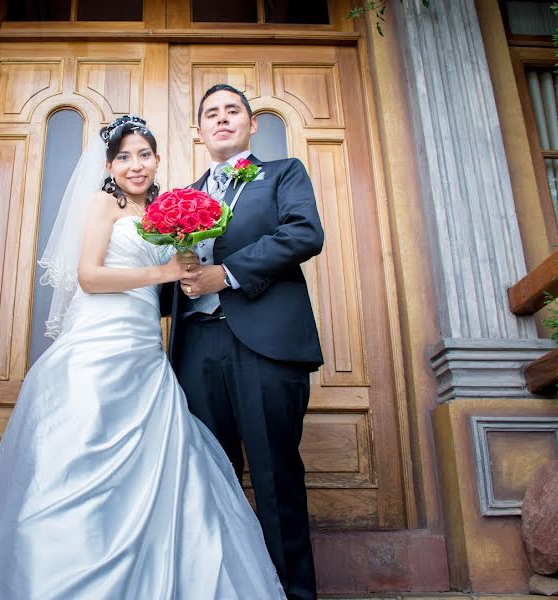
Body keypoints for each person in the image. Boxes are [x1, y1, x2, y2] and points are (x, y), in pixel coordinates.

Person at [0, 115, 286, 599]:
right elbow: (89, 277)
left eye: (144, 154)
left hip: (144, 350)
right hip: (97, 345)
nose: (135, 165)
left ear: (158, 160)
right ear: (109, 165)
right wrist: (163, 271)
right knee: (84, 453)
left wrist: (186, 270)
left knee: (155, 467)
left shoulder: (165, 215)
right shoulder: (106, 203)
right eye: (124, 156)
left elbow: (174, 285)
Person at [166, 84, 325, 600]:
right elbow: (167, 276)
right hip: (195, 348)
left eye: (232, 111)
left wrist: (227, 273)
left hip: (265, 346)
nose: (222, 119)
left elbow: (304, 233)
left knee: (275, 478)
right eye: (211, 113)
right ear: (198, 131)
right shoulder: (177, 200)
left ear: (252, 124)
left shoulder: (284, 174)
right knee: (211, 482)